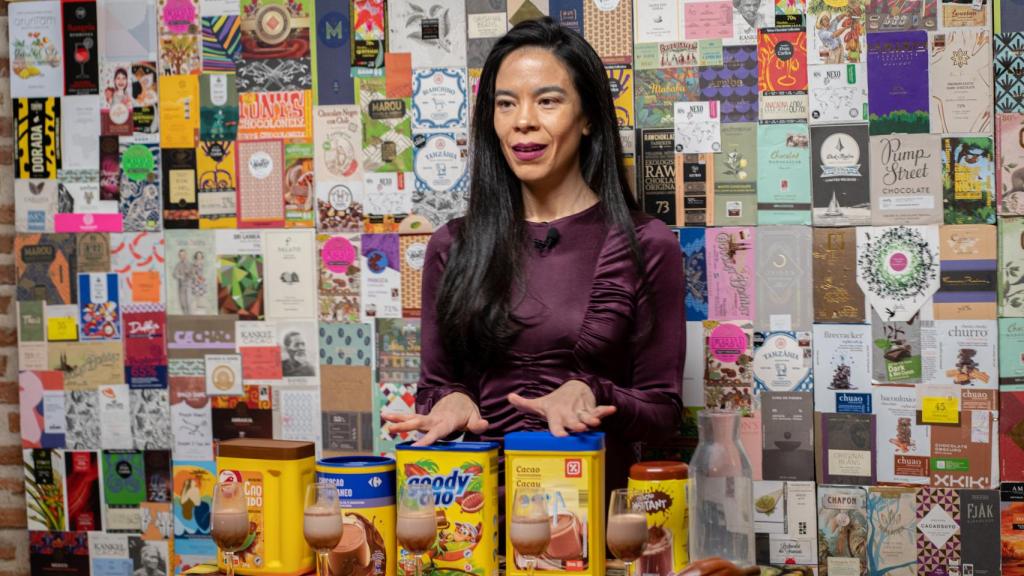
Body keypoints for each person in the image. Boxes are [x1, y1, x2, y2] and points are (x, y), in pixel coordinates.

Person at [385, 18, 685, 493]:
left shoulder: (646, 243)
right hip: (472, 526)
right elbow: (437, 383)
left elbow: (663, 413)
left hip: (593, 524)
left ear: (587, 117)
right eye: (506, 104)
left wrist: (593, 392)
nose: (523, 120)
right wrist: (452, 402)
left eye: (548, 100)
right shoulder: (452, 246)